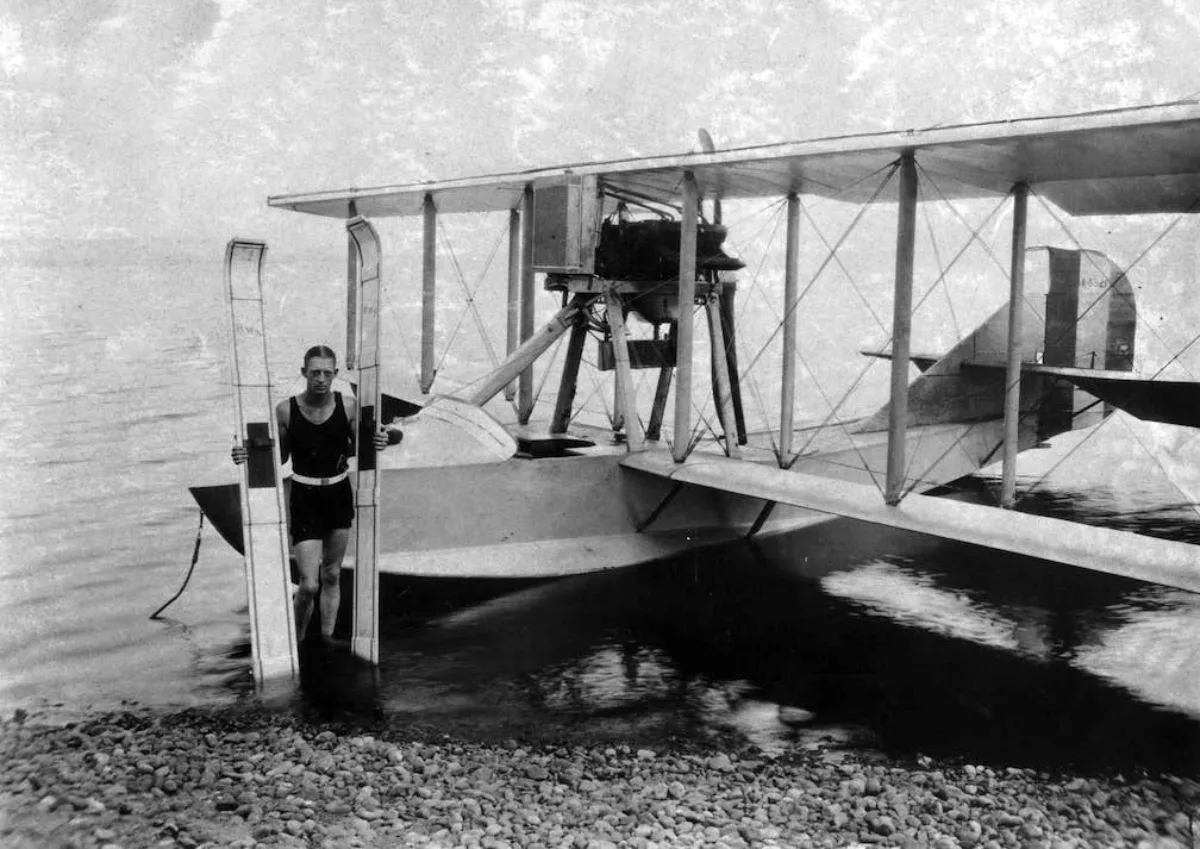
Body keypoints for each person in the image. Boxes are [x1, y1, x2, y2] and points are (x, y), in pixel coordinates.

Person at [232, 345, 396, 647]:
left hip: (338, 493)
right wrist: (244, 454)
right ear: (304, 373)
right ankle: (297, 643)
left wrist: (385, 438)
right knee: (308, 584)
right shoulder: (285, 410)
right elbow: (275, 459)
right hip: (305, 495)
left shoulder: (348, 405)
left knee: (332, 574)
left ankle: (326, 640)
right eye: (315, 372)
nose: (321, 378)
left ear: (335, 374)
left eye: (327, 373)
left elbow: (366, 443)